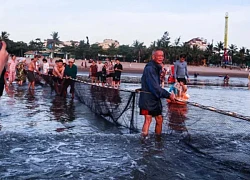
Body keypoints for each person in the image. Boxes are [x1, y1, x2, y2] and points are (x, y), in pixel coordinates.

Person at [139, 49, 175, 138]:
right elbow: (154, 87)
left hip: (154, 98)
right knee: (148, 119)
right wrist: (168, 95)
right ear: (153, 57)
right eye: (158, 56)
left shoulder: (157, 67)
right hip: (147, 99)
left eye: (162, 56)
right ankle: (143, 142)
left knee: (159, 119)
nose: (160, 58)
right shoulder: (150, 68)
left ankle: (158, 139)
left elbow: (156, 86)